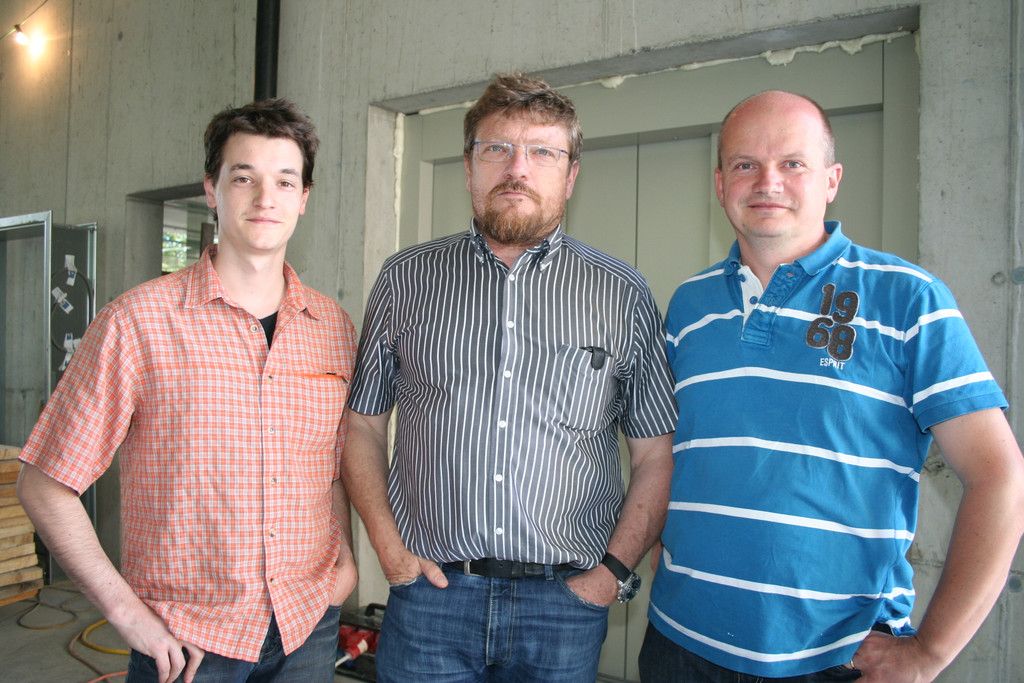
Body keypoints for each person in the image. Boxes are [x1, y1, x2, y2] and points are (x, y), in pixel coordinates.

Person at [640, 90, 1024, 682]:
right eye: (745, 164)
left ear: (831, 180)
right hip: (679, 643)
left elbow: (999, 477)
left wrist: (929, 653)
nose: (768, 182)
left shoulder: (909, 299)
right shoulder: (689, 306)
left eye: (793, 163)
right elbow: (673, 454)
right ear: (720, 184)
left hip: (834, 658)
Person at [341, 71, 677, 682]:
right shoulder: (405, 280)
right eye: (496, 148)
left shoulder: (622, 294)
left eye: (543, 152)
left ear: (570, 175)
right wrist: (389, 550)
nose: (517, 168)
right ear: (469, 166)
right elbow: (362, 426)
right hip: (430, 597)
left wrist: (610, 574)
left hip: (563, 608)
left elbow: (655, 454)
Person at [17, 99, 358, 683]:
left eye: (285, 180)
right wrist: (127, 614)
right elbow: (45, 484)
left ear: (304, 197)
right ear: (211, 188)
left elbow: (330, 467)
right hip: (190, 644)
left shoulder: (332, 328)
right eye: (243, 177)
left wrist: (345, 560)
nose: (265, 197)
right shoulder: (136, 324)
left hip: (308, 626)